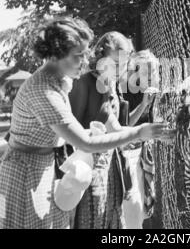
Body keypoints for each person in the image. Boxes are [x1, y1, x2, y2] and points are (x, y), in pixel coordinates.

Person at [0, 18, 175, 229]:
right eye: (78, 55)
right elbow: (85, 143)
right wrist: (139, 132)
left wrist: (148, 131)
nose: (86, 60)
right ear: (57, 54)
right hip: (27, 173)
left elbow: (108, 127)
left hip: (47, 167)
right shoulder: (44, 90)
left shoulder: (63, 81)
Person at [70, 31, 145, 229]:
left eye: (124, 63)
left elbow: (118, 128)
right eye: (116, 64)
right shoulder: (86, 82)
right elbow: (72, 127)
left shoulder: (111, 84)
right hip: (88, 170)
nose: (121, 69)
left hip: (112, 167)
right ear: (100, 57)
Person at [121, 49, 160, 229]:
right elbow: (124, 125)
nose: (151, 76)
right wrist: (144, 104)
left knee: (143, 209)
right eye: (146, 72)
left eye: (153, 72)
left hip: (143, 155)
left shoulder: (153, 92)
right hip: (127, 154)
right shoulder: (126, 92)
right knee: (132, 207)